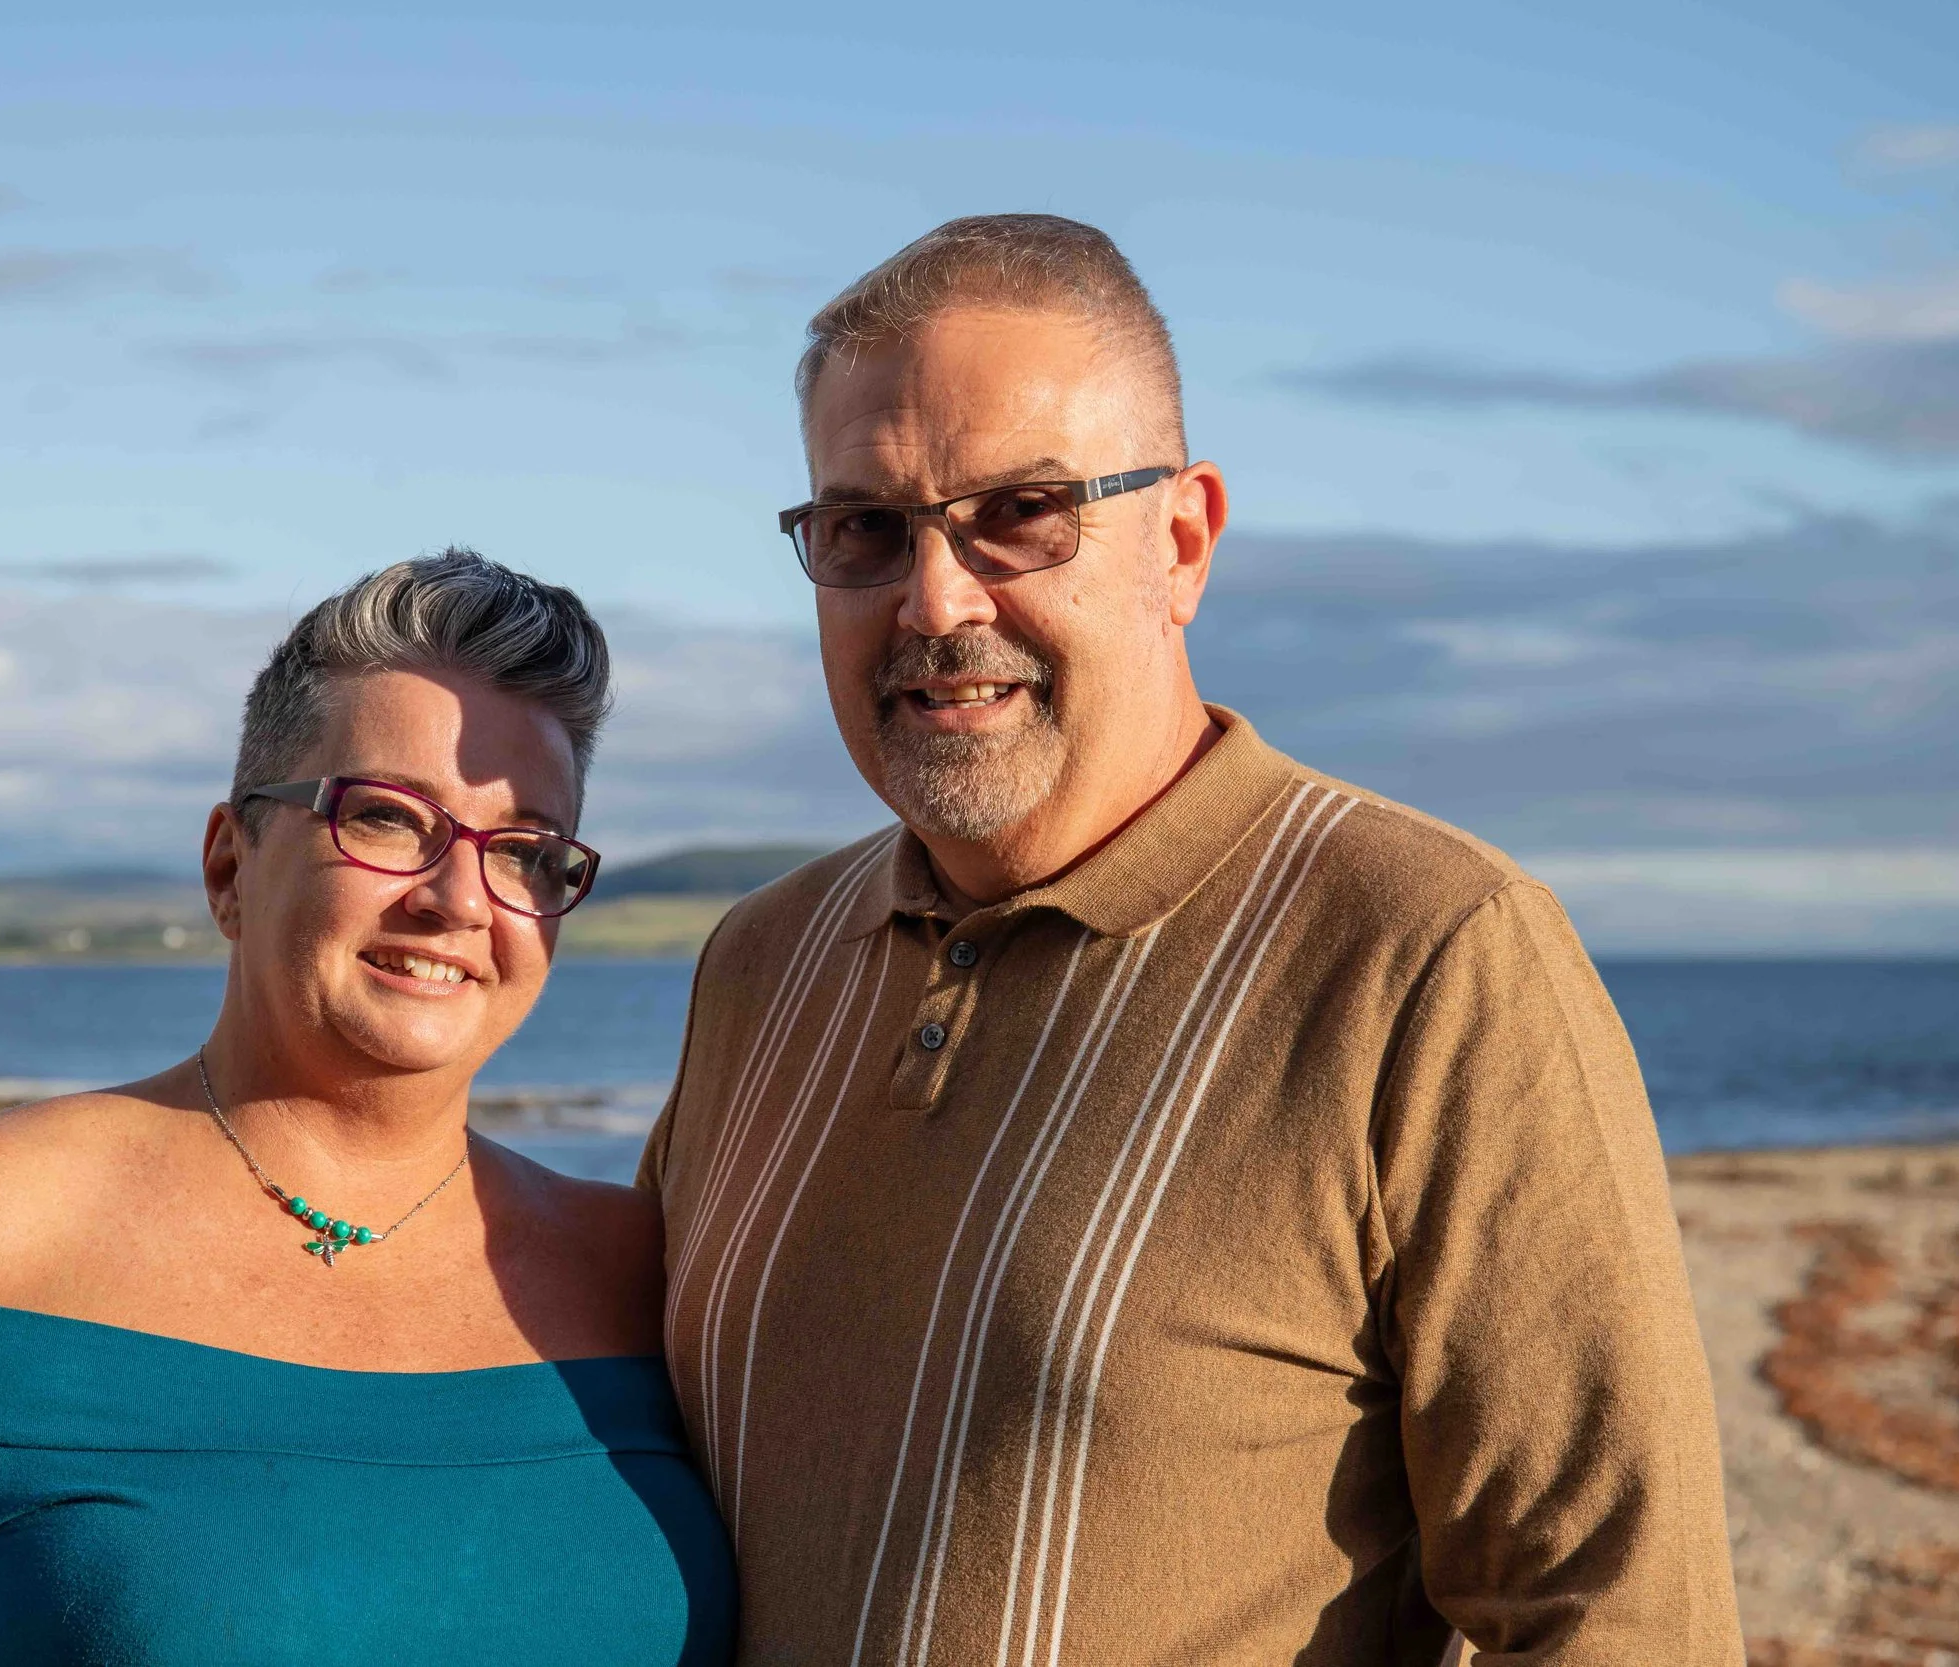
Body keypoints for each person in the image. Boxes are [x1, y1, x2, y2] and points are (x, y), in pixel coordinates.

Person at [638, 215, 1743, 1664]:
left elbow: (1616, 1611)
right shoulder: (765, 960)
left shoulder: (1429, 952)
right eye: (866, 530)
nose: (936, 598)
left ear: (1181, 540)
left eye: (1020, 511)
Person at [0, 551, 735, 1666]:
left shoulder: (636, 1269)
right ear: (230, 864)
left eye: (524, 851)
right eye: (385, 817)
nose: (458, 898)